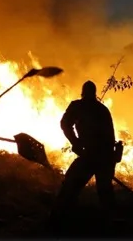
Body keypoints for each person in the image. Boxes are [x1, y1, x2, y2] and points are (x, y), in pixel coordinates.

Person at [49, 80, 118, 232]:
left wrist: (75, 142)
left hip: (94, 156)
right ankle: (111, 225)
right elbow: (65, 124)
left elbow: (65, 124)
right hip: (104, 157)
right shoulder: (102, 109)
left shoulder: (79, 106)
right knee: (104, 192)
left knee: (71, 185)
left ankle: (60, 221)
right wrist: (77, 143)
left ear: (83, 93)